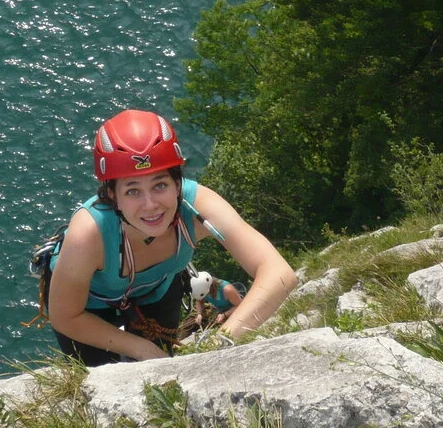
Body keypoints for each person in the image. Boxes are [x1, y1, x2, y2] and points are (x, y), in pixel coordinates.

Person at [39, 109, 296, 366]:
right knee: (96, 376)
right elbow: (66, 316)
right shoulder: (89, 232)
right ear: (112, 195)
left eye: (160, 185)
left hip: (156, 287)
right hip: (87, 306)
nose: (150, 205)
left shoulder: (197, 206)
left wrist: (221, 342)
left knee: (162, 370)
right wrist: (142, 349)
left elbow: (280, 274)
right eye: (132, 191)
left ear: (177, 184)